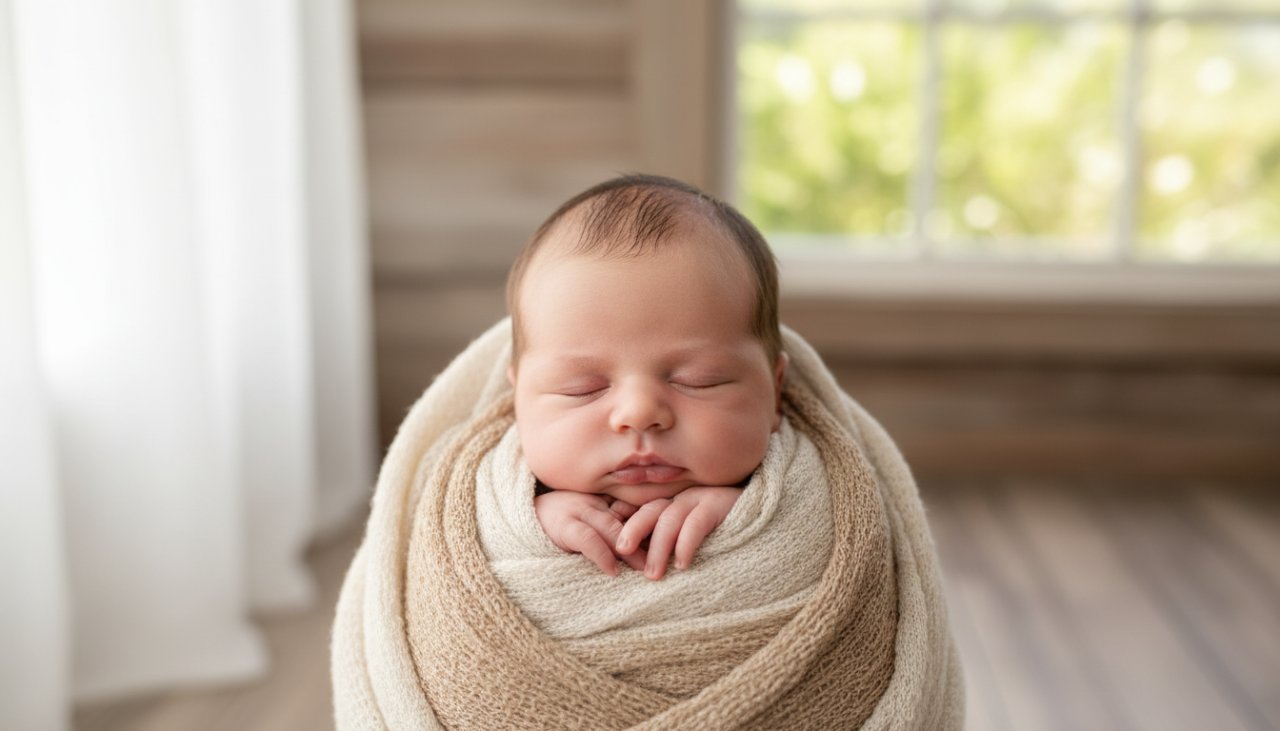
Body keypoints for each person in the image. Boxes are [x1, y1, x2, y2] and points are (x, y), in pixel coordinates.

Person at [505, 174, 788, 581]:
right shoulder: (505, 501)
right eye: (581, 388)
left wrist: (752, 514)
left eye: (699, 380)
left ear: (776, 393)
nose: (638, 413)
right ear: (518, 402)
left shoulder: (803, 491)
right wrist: (528, 523)